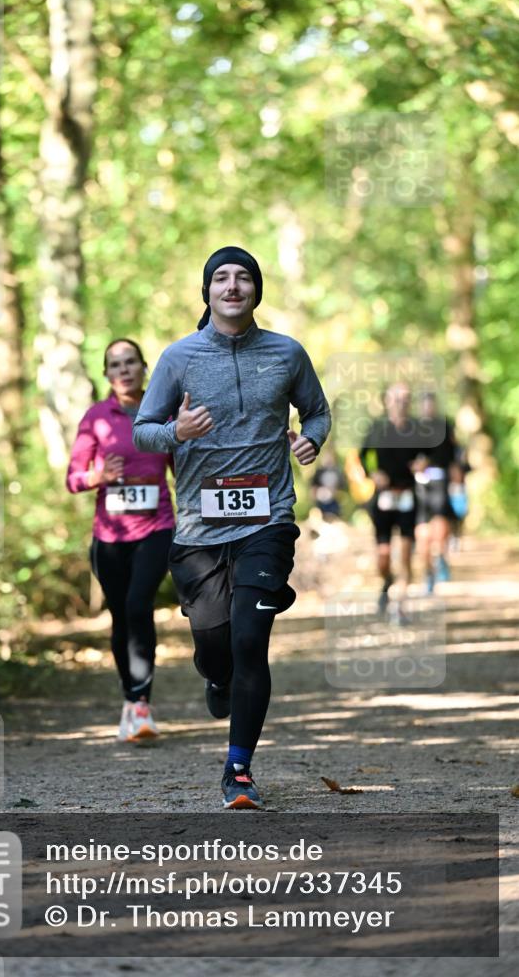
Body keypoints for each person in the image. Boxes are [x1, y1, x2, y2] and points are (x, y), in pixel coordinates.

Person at [133, 246, 331, 809]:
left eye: (243, 277)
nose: (232, 286)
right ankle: (216, 677)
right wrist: (177, 432)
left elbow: (317, 411)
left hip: (267, 519)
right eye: (221, 278)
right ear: (208, 292)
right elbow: (143, 430)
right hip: (199, 530)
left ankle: (238, 769)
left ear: (256, 290)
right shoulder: (179, 357)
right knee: (217, 648)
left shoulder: (287, 353)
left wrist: (311, 439)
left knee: (250, 639)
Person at [66, 339, 174, 742]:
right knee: (120, 616)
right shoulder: (96, 417)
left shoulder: (162, 412)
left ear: (145, 368)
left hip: (157, 527)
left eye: (131, 362)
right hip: (109, 537)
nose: (124, 370)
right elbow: (73, 479)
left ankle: (141, 704)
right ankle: (130, 700)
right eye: (115, 365)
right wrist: (98, 476)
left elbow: (183, 468)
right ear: (107, 374)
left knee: (138, 606)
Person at [359, 383, 420, 620]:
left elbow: (434, 454)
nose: (400, 404)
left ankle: (401, 607)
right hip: (383, 497)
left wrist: (423, 463)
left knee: (405, 554)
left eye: (405, 399)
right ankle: (386, 582)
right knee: (383, 556)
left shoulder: (418, 429)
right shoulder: (377, 427)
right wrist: (372, 473)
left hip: (407, 495)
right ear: (386, 401)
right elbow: (362, 456)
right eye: (396, 399)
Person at [413, 392, 461, 591]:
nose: (428, 408)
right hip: (420, 486)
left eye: (430, 404)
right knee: (423, 535)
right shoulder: (412, 428)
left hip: (440, 481)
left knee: (441, 528)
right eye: (425, 404)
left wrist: (456, 474)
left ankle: (441, 556)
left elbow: (454, 451)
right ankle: (428, 572)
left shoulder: (444, 426)